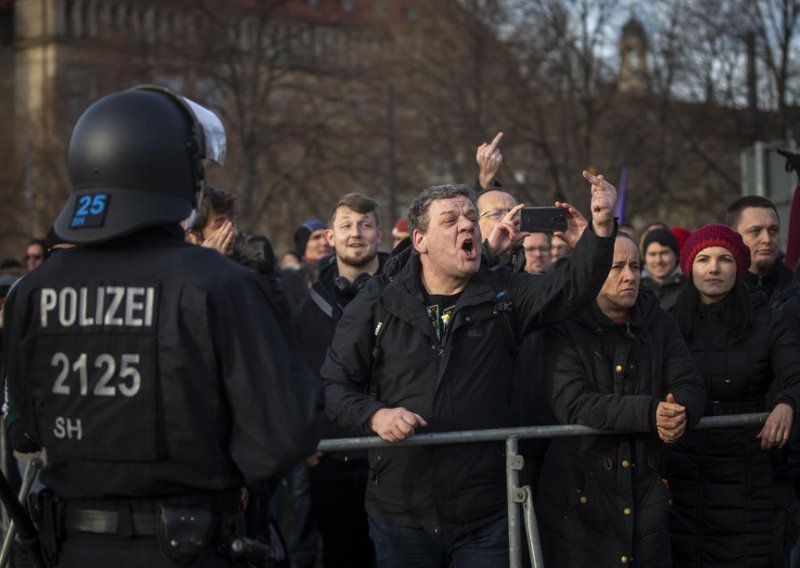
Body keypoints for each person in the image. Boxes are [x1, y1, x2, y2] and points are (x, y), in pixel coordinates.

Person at [1, 86, 322, 567]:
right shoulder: (221, 285)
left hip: (73, 548)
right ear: (180, 175)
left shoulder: (30, 292)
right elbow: (282, 438)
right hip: (190, 546)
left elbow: (25, 431)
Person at [322, 171, 618, 567]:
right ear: (420, 242)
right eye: (450, 220)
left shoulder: (503, 292)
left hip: (485, 512)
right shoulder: (378, 300)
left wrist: (599, 233)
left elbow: (570, 292)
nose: (467, 225)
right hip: (402, 510)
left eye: (470, 218)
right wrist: (375, 415)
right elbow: (335, 386)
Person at [535, 233, 706, 567]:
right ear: (592, 270)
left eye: (634, 266)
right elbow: (574, 402)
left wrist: (680, 412)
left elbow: (690, 383)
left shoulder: (658, 322)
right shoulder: (564, 325)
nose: (629, 276)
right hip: (580, 501)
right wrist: (650, 412)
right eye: (616, 267)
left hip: (647, 498)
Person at [665, 224, 800, 567]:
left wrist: (787, 403)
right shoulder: (667, 322)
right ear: (689, 266)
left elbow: (794, 372)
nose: (713, 268)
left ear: (738, 265)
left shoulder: (767, 320)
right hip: (685, 474)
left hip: (750, 473)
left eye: (724, 259)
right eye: (704, 259)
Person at [294, 192, 386, 568]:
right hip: (333, 462)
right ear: (329, 237)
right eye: (346, 225)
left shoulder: (410, 291)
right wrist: (305, 436)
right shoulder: (308, 307)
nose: (356, 233)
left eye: (365, 225)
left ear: (379, 234)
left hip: (397, 459)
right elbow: (296, 376)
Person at [640, 227, 685, 310]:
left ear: (675, 255)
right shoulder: (636, 288)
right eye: (652, 254)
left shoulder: (690, 288)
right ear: (644, 258)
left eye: (664, 253)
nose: (658, 260)